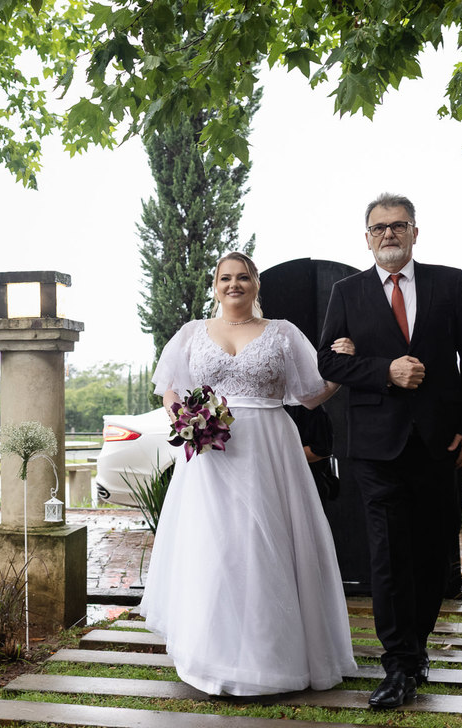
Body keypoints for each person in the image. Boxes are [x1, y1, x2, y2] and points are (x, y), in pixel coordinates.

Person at [140, 251, 358, 697]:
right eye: (225, 278)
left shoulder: (282, 334)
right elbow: (169, 388)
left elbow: (311, 394)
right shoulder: (190, 334)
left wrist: (343, 368)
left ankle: (274, 658)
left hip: (268, 448)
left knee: (266, 545)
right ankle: (210, 654)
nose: (233, 285)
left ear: (256, 284)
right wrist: (187, 418)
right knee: (215, 547)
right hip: (209, 454)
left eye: (242, 277)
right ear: (215, 285)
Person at [317, 193, 462, 710]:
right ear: (366, 237)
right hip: (375, 446)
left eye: (398, 225)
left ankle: (416, 649)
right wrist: (384, 371)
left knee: (432, 552)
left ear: (415, 232)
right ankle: (398, 663)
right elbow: (328, 363)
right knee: (388, 555)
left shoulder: (448, 281)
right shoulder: (348, 293)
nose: (388, 234)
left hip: (439, 442)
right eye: (378, 227)